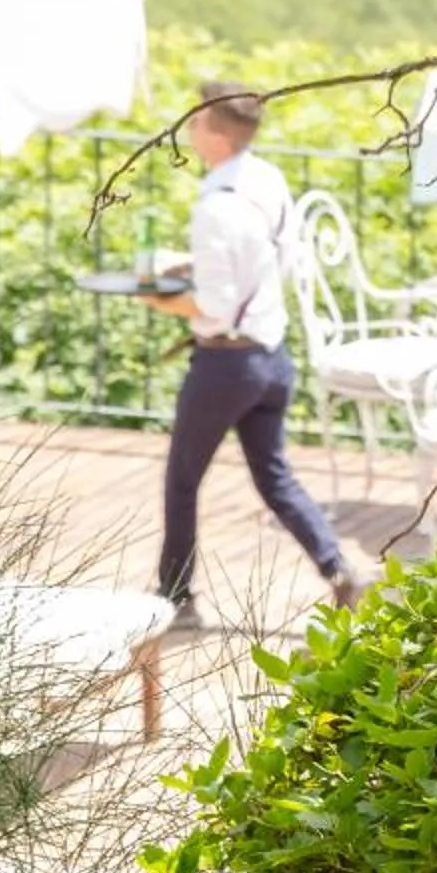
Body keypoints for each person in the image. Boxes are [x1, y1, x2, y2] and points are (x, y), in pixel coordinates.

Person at [139, 84, 360, 629]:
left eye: (194, 120)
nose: (187, 129)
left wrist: (157, 297)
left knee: (183, 478)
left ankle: (175, 596)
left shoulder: (216, 206)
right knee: (273, 475)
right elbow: (268, 264)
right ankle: (338, 568)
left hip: (225, 364)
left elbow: (213, 308)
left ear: (213, 131)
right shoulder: (268, 181)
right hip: (271, 356)